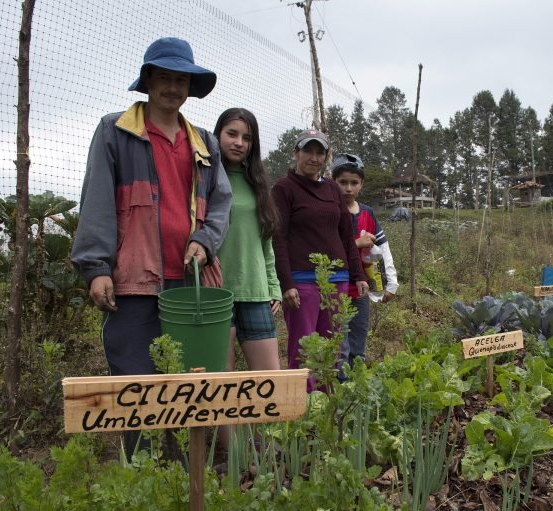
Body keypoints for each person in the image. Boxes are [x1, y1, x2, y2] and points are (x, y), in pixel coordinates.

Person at [71, 37, 231, 457]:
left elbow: (220, 203)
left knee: (189, 386)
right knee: (136, 385)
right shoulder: (115, 131)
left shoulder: (204, 142)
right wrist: (96, 267)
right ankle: (143, 478)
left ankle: (184, 475)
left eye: (181, 79)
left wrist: (205, 241)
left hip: (191, 282)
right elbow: (98, 201)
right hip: (134, 279)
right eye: (164, 77)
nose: (173, 87)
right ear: (147, 81)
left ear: (190, 87)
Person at [271, 130, 368, 390]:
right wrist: (286, 283)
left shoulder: (332, 190)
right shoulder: (284, 189)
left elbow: (346, 236)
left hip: (336, 279)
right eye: (308, 151)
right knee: (303, 348)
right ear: (296, 153)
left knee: (333, 345)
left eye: (319, 153)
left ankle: (327, 408)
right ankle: (303, 408)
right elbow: (278, 238)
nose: (313, 158)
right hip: (302, 281)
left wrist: (358, 275)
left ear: (326, 157)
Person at [213, 108, 281, 371]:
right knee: (222, 383)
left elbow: (266, 241)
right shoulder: (206, 178)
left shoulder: (258, 183)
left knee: (270, 380)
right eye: (231, 134)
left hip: (256, 292)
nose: (239, 143)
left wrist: (273, 286)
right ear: (218, 134)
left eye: (247, 137)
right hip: (215, 294)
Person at [331, 153, 399, 370]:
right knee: (339, 344)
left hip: (362, 290)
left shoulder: (368, 213)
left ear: (361, 184)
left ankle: (356, 385)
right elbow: (325, 249)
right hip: (335, 288)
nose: (348, 188)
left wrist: (391, 284)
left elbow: (382, 249)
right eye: (342, 182)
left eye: (354, 183)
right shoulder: (329, 212)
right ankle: (340, 387)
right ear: (333, 182)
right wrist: (356, 243)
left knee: (358, 339)